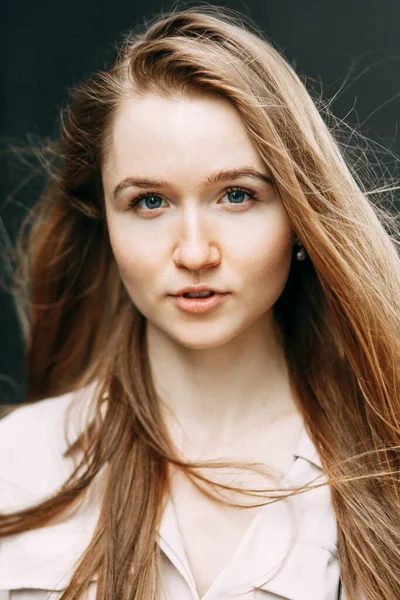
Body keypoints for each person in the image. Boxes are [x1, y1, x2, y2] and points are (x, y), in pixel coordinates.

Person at [0, 5, 399, 600]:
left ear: (299, 215)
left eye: (236, 195)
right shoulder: (18, 467)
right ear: (104, 220)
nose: (194, 251)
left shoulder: (387, 463)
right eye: (149, 202)